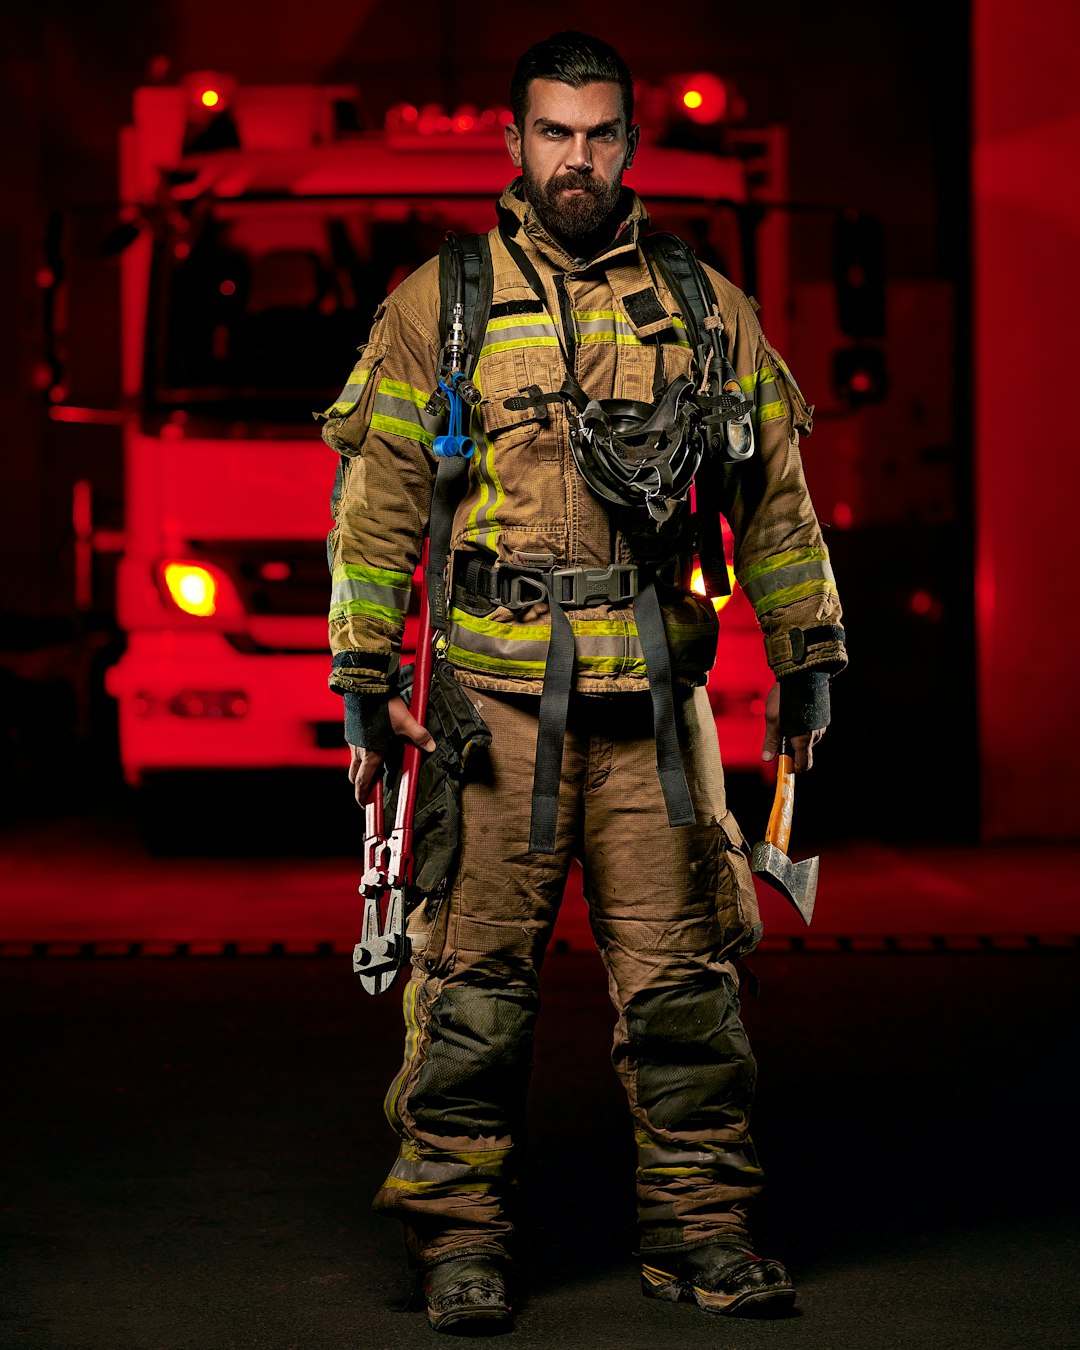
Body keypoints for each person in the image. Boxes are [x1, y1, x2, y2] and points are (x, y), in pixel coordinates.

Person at [320, 31, 846, 1332]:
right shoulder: (441, 305)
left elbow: (775, 499)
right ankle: (459, 1241)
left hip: (656, 712)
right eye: (554, 132)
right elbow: (376, 508)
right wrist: (363, 673)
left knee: (688, 994)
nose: (577, 157)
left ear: (630, 143)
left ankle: (706, 1234)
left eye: (600, 133)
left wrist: (806, 654)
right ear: (515, 143)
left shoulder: (704, 305)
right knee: (470, 998)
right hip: (491, 718)